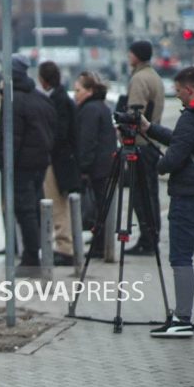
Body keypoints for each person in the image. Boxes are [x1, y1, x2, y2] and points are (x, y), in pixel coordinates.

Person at [140, 66, 194, 337]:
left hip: (188, 197)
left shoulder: (191, 118)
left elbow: (175, 156)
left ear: (190, 90)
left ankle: (182, 319)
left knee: (181, 257)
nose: (177, 96)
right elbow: (182, 141)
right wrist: (150, 129)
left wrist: (159, 165)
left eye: (178, 90)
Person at [0, 54, 57, 270]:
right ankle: (38, 250)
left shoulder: (13, 100)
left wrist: (5, 163)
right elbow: (51, 129)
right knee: (36, 207)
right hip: (39, 163)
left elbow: (12, 137)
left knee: (25, 210)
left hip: (20, 166)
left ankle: (32, 256)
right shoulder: (39, 98)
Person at [124, 39, 166, 255]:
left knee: (141, 194)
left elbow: (135, 113)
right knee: (150, 192)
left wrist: (125, 123)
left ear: (136, 55)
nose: (128, 56)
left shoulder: (140, 78)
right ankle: (152, 237)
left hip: (140, 142)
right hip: (152, 141)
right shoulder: (155, 76)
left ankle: (147, 240)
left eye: (130, 53)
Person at [38, 61, 80, 266]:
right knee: (57, 204)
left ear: (43, 80)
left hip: (58, 161)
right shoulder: (60, 97)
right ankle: (64, 245)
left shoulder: (58, 100)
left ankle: (65, 248)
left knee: (57, 204)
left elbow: (60, 133)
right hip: (62, 159)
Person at [74, 71, 118, 258]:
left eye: (78, 90)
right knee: (101, 205)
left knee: (98, 206)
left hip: (97, 167)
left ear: (90, 90)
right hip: (105, 164)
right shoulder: (101, 106)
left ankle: (100, 245)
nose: (75, 94)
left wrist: (83, 167)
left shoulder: (90, 109)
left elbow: (87, 141)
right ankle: (100, 241)